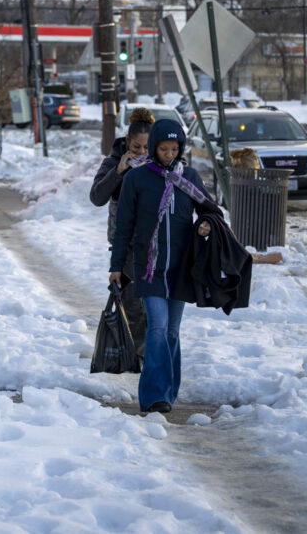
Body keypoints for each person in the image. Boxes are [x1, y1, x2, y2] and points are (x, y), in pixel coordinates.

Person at [109, 118, 220, 415]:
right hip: (149, 268)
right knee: (157, 328)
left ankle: (169, 391)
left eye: (174, 149)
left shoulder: (191, 178)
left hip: (181, 269)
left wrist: (206, 225)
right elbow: (124, 227)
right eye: (163, 149)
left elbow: (212, 213)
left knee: (172, 331)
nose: (169, 154)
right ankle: (155, 396)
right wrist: (116, 265)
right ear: (154, 148)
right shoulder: (137, 179)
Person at [90, 107, 155, 354]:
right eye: (136, 147)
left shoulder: (160, 162)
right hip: (124, 244)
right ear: (127, 141)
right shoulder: (112, 161)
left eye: (146, 148)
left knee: (154, 303)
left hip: (153, 243)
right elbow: (96, 197)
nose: (141, 152)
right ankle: (138, 353)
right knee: (132, 303)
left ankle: (152, 352)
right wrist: (118, 171)